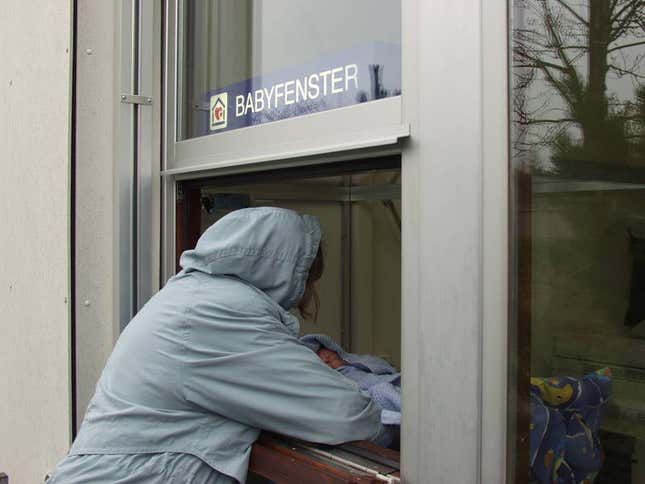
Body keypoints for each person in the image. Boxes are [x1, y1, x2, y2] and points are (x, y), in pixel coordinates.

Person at [47, 207, 386, 484]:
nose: (305, 294)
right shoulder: (219, 314)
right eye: (306, 280)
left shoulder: (192, 295)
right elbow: (345, 414)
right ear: (286, 275)